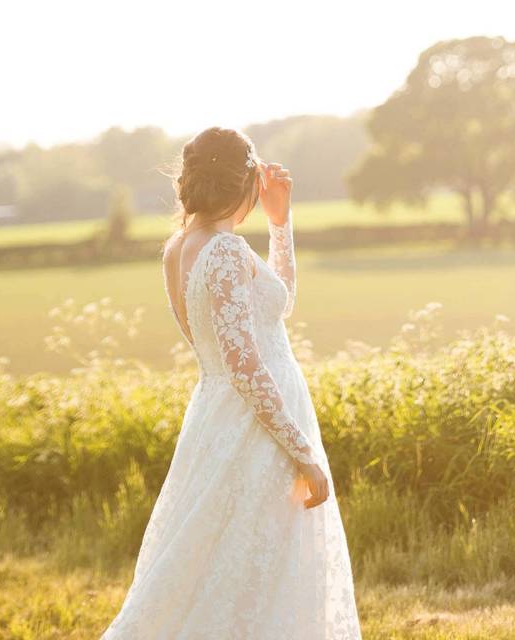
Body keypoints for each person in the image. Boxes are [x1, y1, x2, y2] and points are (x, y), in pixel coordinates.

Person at [101, 126, 362, 638]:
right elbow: (244, 364)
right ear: (242, 184)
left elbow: (276, 303)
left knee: (224, 561)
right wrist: (302, 452)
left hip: (220, 416)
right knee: (257, 565)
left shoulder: (181, 246)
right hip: (253, 427)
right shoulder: (221, 250)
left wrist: (280, 224)